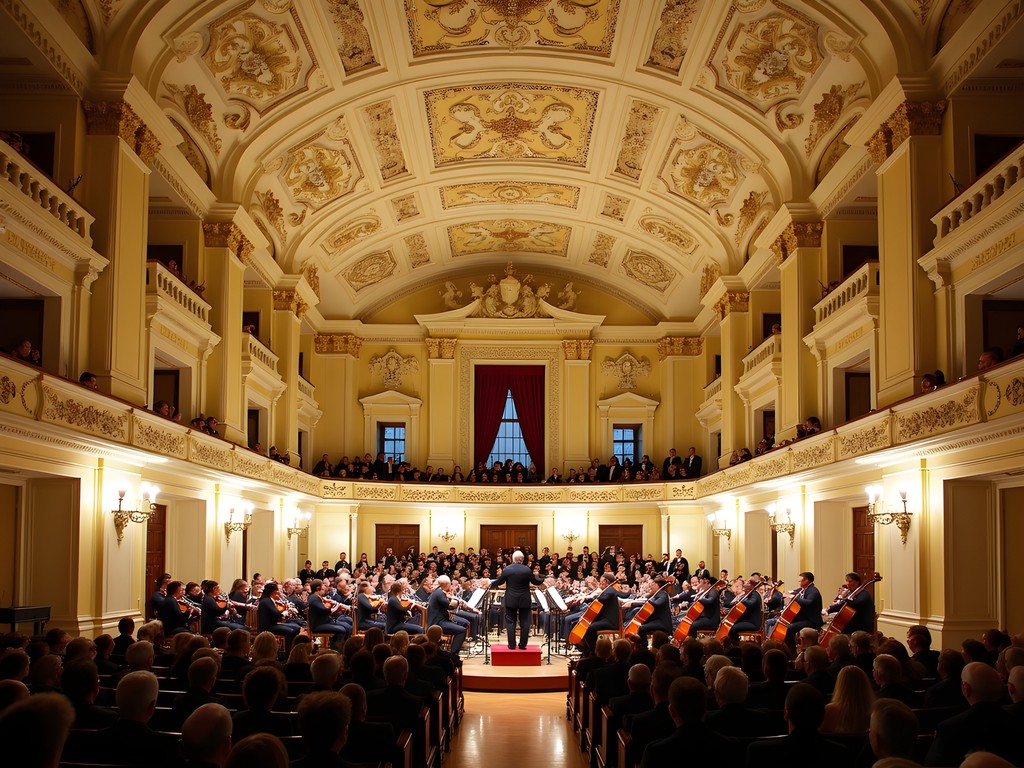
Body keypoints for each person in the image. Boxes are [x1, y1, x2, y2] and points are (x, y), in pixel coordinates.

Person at [487, 549, 551, 650]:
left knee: (510, 622)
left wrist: (489, 582)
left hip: (511, 599)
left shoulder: (507, 569)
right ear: (522, 559)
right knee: (525, 622)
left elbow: (499, 582)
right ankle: (522, 645)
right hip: (524, 599)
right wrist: (544, 580)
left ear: (513, 559)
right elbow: (535, 581)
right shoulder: (527, 570)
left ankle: (512, 645)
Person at [425, 575, 467, 653]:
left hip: (440, 620)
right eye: (450, 584)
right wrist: (456, 601)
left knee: (462, 624)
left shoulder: (438, 591)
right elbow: (450, 606)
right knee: (462, 630)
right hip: (437, 623)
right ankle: (453, 653)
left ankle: (454, 649)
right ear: (446, 584)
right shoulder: (439, 593)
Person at [782, 572, 823, 647]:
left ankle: (792, 653)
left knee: (789, 629)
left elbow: (808, 603)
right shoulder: (804, 589)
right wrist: (788, 594)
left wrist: (793, 597)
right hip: (803, 618)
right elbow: (794, 591)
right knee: (785, 625)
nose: (799, 582)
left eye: (800, 581)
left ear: (806, 580)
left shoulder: (813, 591)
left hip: (811, 620)